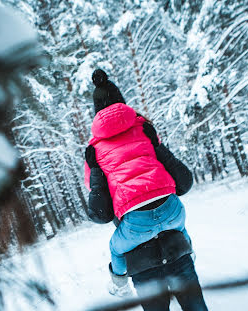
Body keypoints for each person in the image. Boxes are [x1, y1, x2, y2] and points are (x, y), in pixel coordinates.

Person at [84, 69, 208, 311]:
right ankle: (188, 252)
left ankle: (119, 285)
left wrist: (97, 170)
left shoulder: (95, 148)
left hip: (136, 222)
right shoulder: (143, 127)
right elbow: (167, 168)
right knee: (179, 226)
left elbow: (99, 206)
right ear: (121, 101)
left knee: (115, 247)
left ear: (96, 112)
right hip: (171, 208)